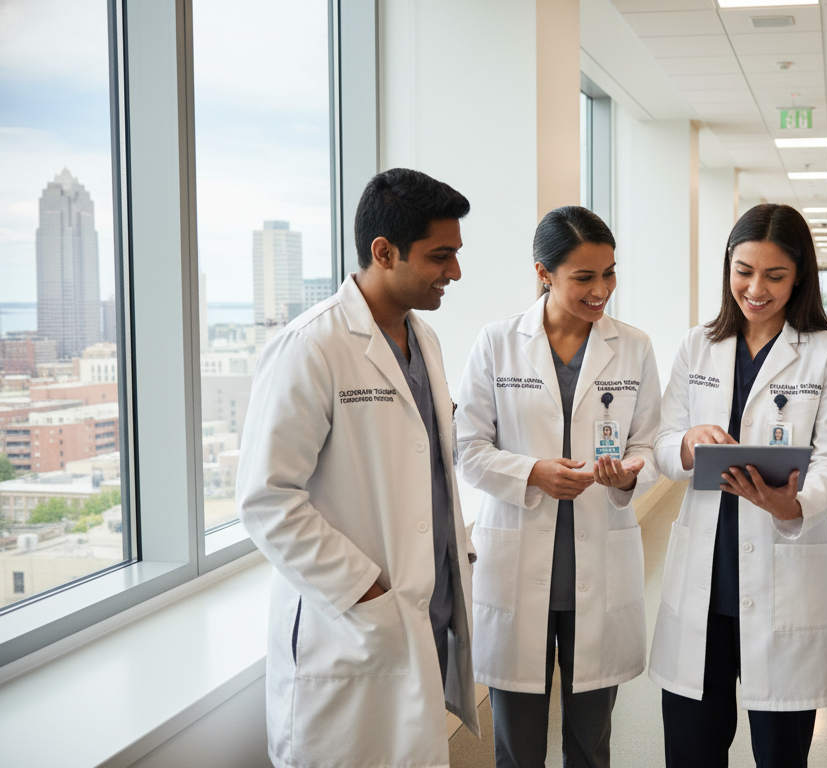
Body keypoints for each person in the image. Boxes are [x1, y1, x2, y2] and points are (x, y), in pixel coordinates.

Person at [237, 168, 479, 768]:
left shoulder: (424, 340)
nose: (454, 271)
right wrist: (363, 589)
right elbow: (267, 499)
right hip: (352, 619)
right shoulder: (311, 347)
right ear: (383, 252)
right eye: (440, 256)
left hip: (417, 609)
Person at [650, 203, 827, 768]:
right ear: (727, 267)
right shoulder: (698, 345)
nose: (755, 289)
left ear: (800, 277)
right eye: (743, 271)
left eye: (775, 275)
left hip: (781, 569)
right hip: (706, 578)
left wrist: (794, 505)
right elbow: (663, 443)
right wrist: (689, 444)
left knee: (781, 755)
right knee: (692, 751)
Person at [456, 206, 661, 768]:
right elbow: (467, 449)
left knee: (591, 746)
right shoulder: (497, 343)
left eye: (609, 273)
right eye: (585, 277)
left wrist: (629, 474)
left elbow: (648, 445)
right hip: (518, 566)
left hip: (598, 562)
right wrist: (532, 473)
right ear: (543, 272)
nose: (602, 291)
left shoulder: (634, 346)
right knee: (518, 748)